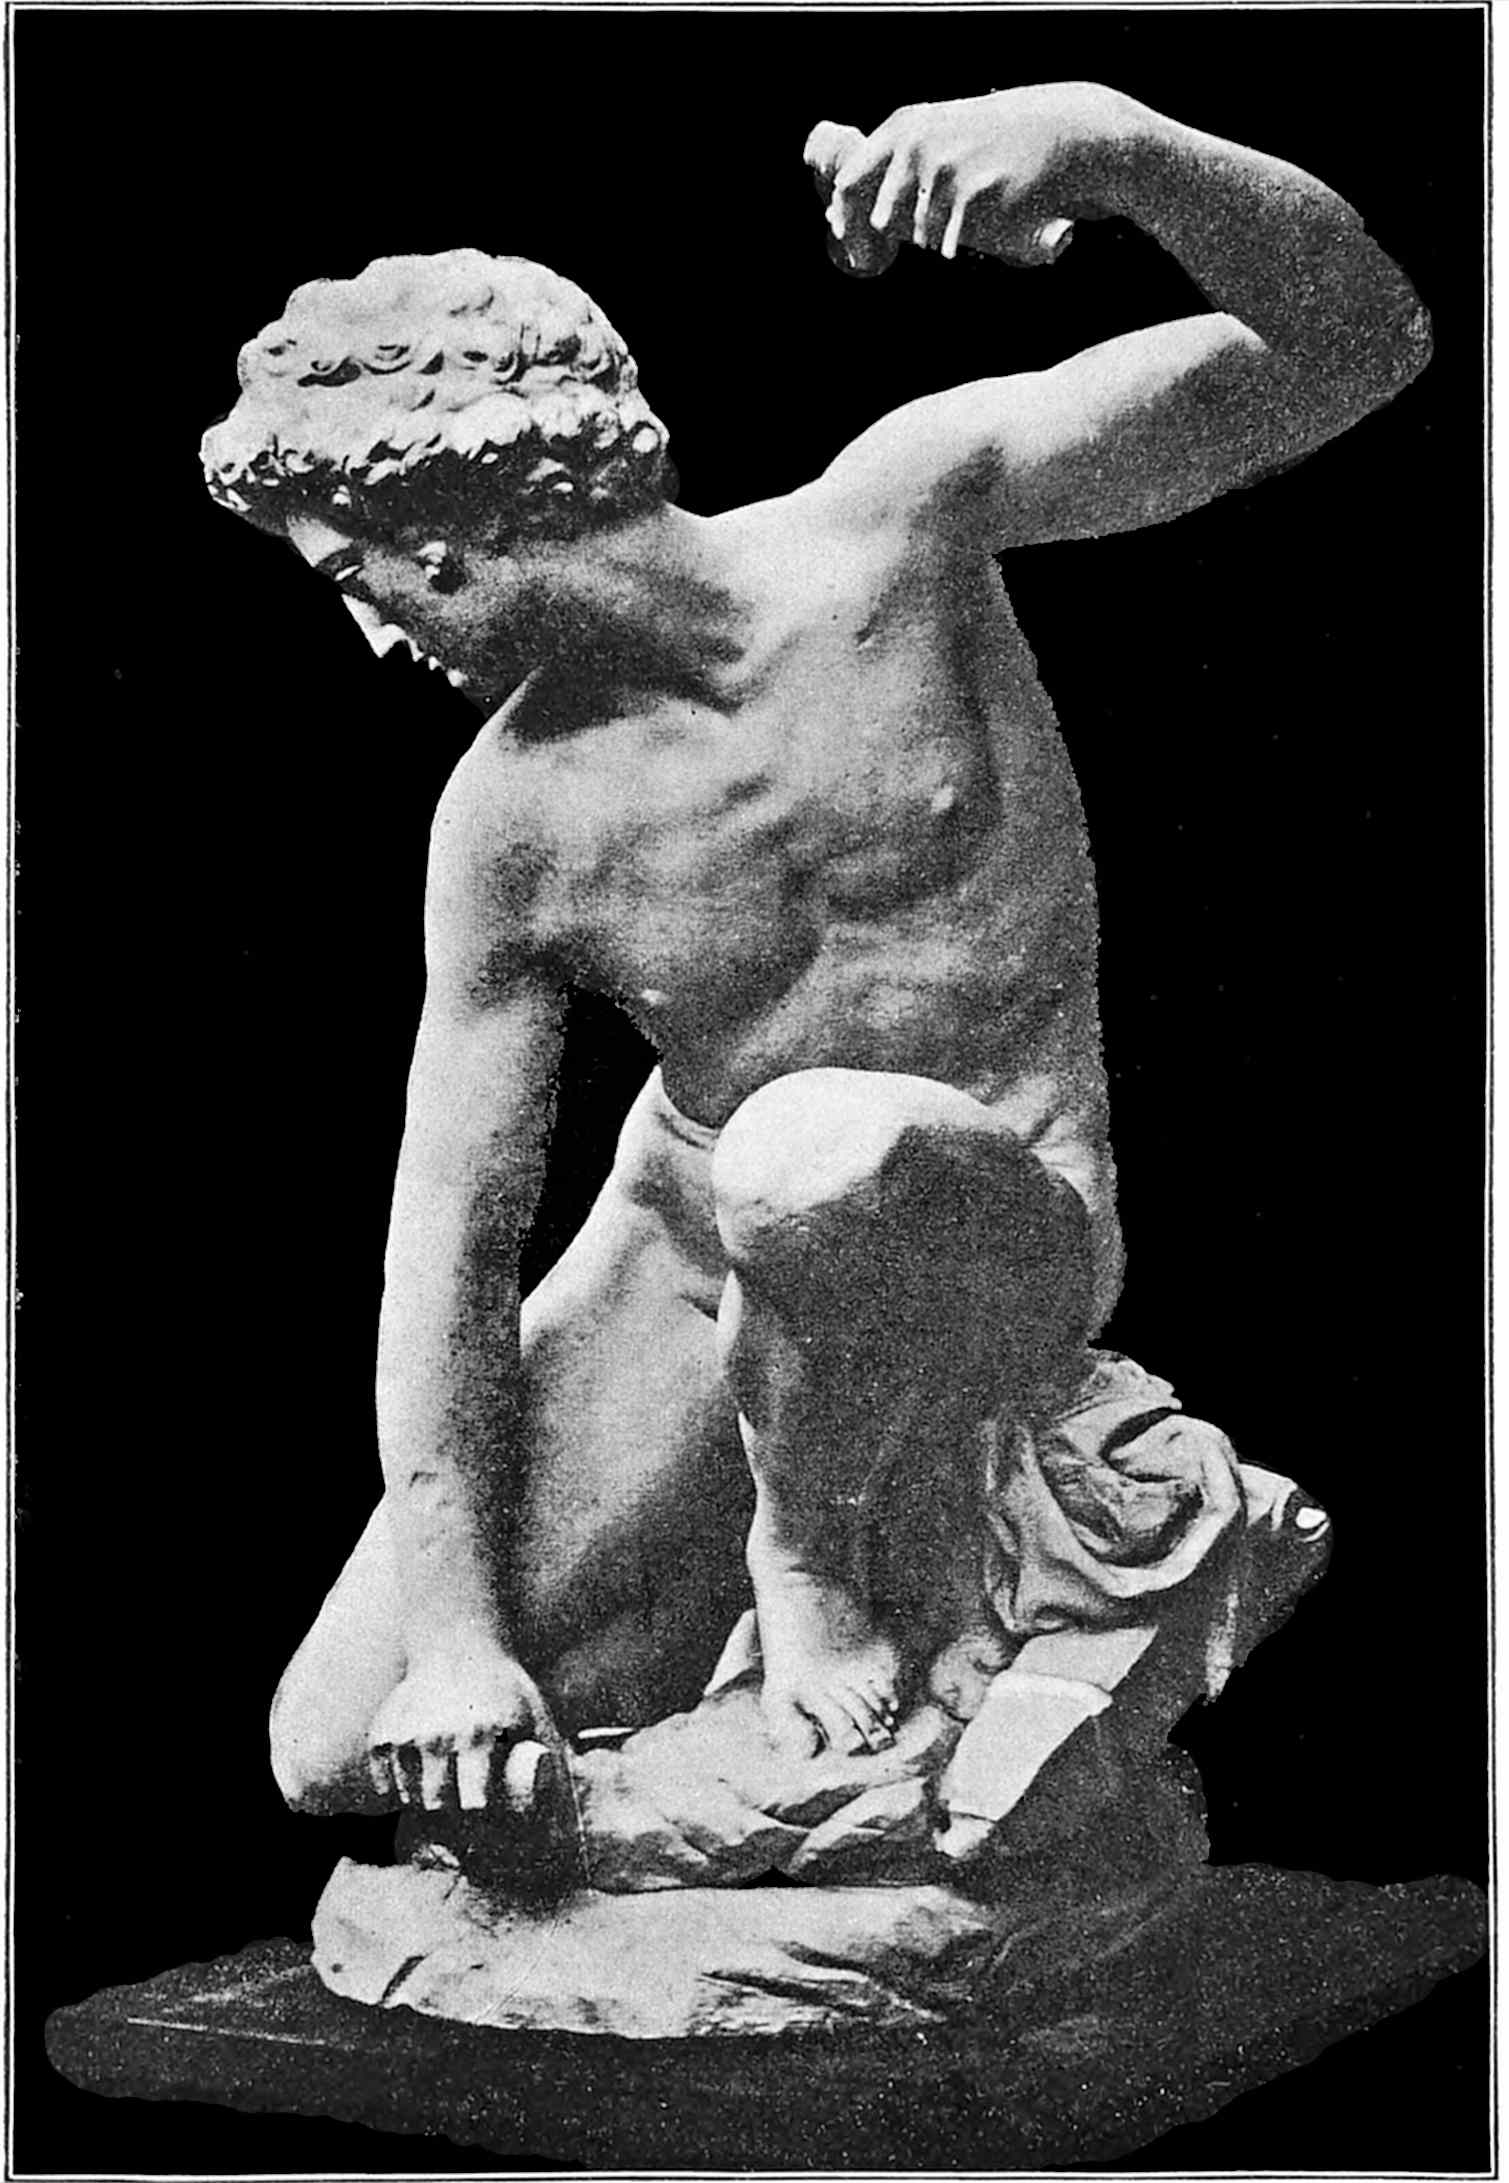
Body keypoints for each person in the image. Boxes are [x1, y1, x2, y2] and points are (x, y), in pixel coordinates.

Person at [200, 81, 1428, 1809]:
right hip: (692, 1244)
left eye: (354, 574)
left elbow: (1357, 343)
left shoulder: (898, 526)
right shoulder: (509, 820)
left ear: (450, 538)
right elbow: (449, 1250)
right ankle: (759, 1681)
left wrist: (1110, 143)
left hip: (992, 1204)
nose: (370, 634)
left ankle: (811, 1559)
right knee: (340, 1752)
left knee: (810, 1151)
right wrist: (462, 1638)